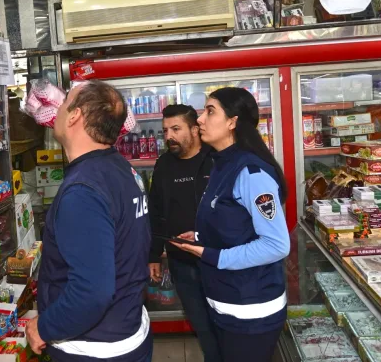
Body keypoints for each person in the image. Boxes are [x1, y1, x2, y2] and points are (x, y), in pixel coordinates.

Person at [26, 80, 153, 361]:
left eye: (65, 102)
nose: (57, 109)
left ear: (74, 116)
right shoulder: (120, 168)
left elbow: (93, 292)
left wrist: (44, 328)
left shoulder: (83, 191)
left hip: (93, 348)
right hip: (127, 328)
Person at [173, 87, 290, 362]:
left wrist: (212, 254)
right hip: (225, 302)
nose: (200, 119)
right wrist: (201, 236)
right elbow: (233, 224)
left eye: (210, 111)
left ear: (232, 122)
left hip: (251, 311)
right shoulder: (221, 165)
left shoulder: (252, 172)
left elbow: (276, 245)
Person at [148, 104, 221, 362]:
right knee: (202, 326)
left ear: (194, 129)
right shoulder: (164, 164)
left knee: (223, 326)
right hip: (181, 262)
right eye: (165, 130)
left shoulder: (217, 159)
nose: (169, 136)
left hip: (218, 260)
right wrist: (154, 254)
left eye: (176, 129)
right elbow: (156, 211)